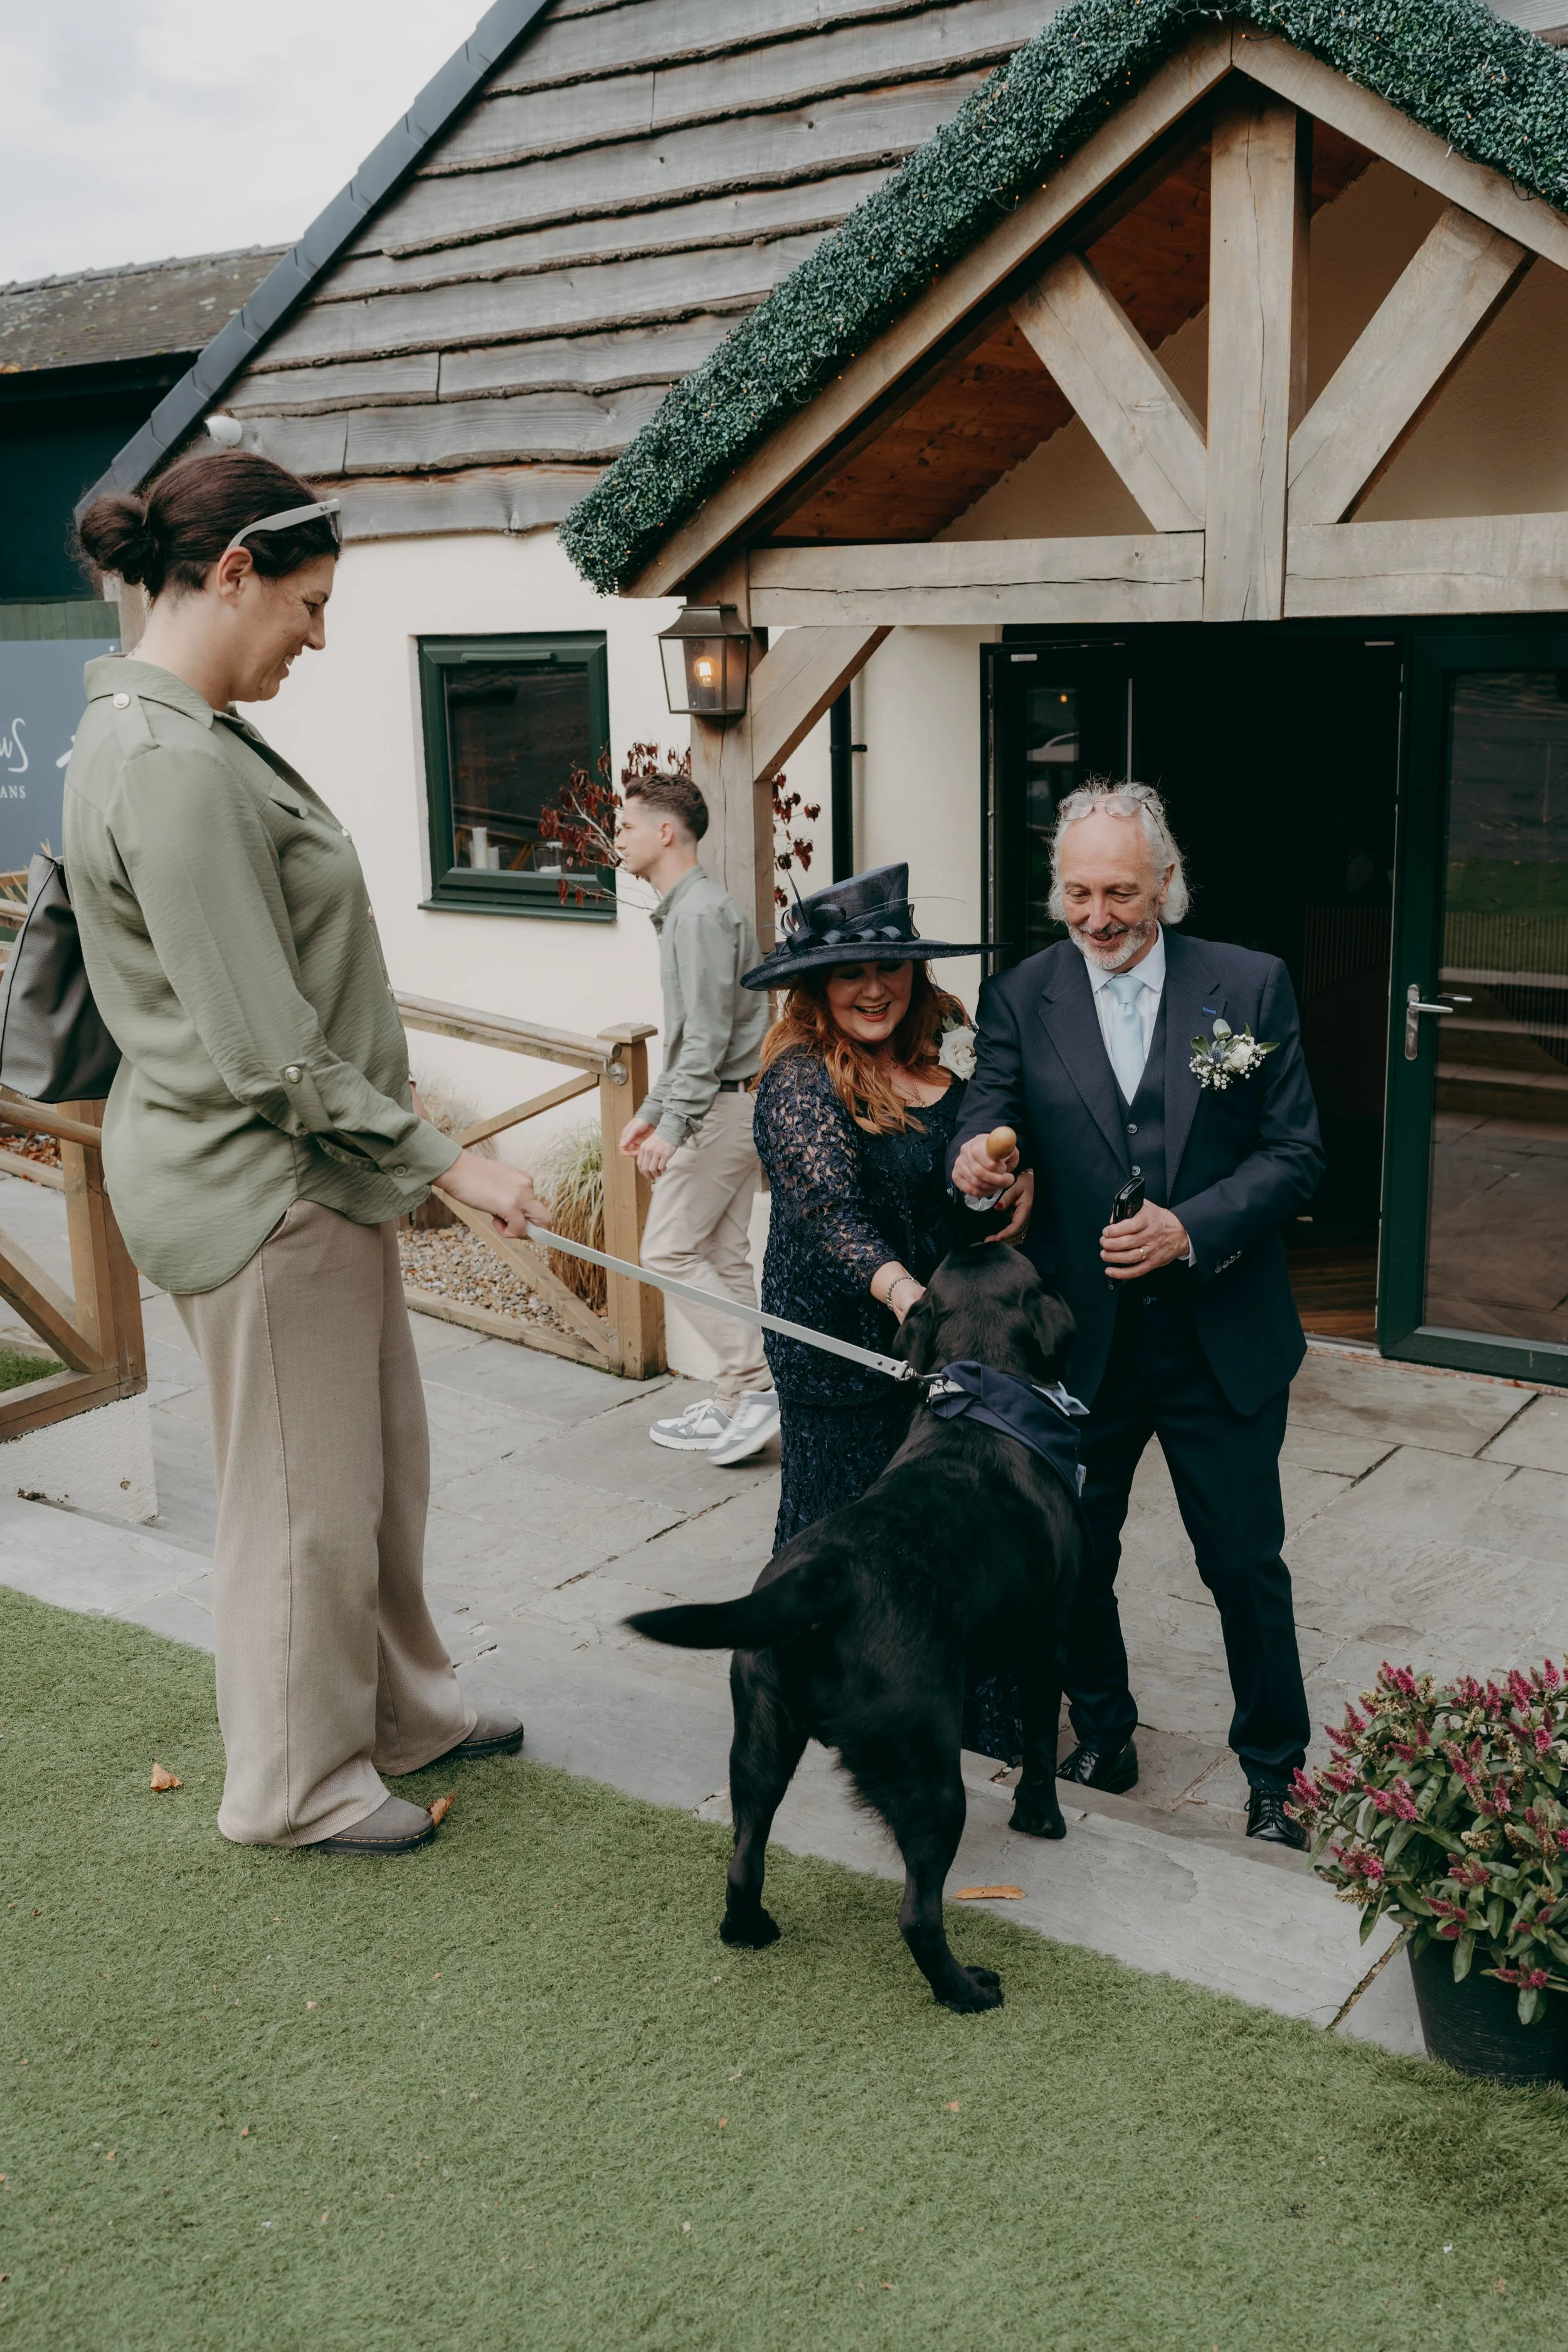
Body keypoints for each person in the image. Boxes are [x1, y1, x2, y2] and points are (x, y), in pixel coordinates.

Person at [68, 450, 542, 1857]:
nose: (317, 638)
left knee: (376, 1471)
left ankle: (398, 1711)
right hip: (263, 1194)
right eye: (310, 604)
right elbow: (263, 1050)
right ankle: (290, 1786)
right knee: (301, 1507)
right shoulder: (165, 762)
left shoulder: (186, 729)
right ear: (230, 575)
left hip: (311, 1183)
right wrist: (451, 1162)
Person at [950, 781, 1325, 1845]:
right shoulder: (1021, 996)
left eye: (1119, 891)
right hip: (1081, 1343)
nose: (1097, 916)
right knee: (1074, 1555)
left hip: (1223, 1337)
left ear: (1165, 882)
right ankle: (1104, 1733)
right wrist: (975, 1165)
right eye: (1077, 893)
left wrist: (1190, 1227)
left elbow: (1297, 1156)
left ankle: (1275, 1773)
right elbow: (989, 1119)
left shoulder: (1249, 986)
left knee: (1245, 1564)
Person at [743, 865, 1030, 1756]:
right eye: (847, 973)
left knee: (942, 1535)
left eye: (889, 968)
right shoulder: (798, 1079)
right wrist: (909, 1295)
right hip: (842, 1347)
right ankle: (817, 1700)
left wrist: (1013, 1187)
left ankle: (970, 1715)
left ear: (916, 975)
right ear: (815, 987)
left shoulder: (951, 1057)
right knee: (836, 1526)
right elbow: (830, 1213)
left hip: (944, 1353)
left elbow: (972, 1175)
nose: (872, 988)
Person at [616, 773, 778, 1467]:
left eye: (624, 826)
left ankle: (764, 1384)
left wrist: (673, 1126)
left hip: (718, 1110)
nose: (615, 837)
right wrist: (652, 1109)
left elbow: (708, 1036)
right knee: (719, 1256)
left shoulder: (701, 914)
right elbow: (693, 1033)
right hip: (724, 1103)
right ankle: (738, 1397)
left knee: (667, 1252)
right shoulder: (686, 910)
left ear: (664, 832)